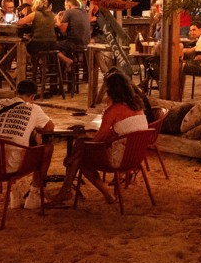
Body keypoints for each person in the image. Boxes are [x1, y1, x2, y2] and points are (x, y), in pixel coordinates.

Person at [55, 72, 150, 206]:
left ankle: (69, 186)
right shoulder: (137, 107)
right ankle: (66, 187)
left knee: (80, 156)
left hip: (119, 159)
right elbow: (119, 132)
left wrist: (85, 138)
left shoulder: (114, 110)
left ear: (111, 90)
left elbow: (100, 139)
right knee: (81, 147)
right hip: (136, 157)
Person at [0, 79, 55, 210]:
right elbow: (50, 127)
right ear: (33, 96)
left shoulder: (0, 103)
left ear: (16, 93)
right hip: (14, 165)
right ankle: (34, 195)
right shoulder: (33, 108)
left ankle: (14, 194)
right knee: (47, 148)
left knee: (11, 145)